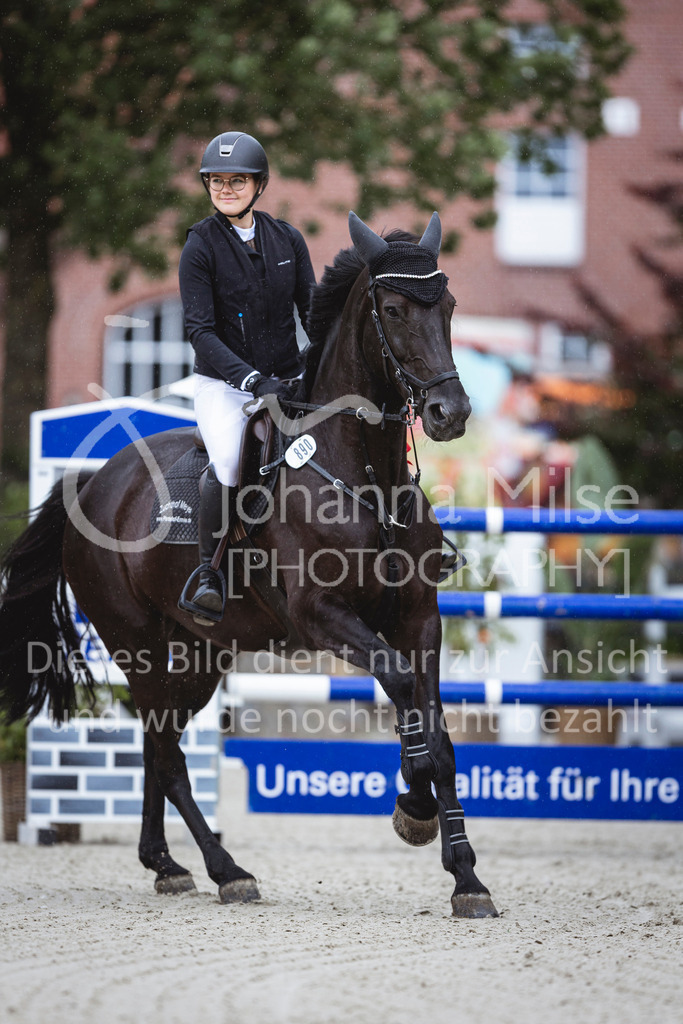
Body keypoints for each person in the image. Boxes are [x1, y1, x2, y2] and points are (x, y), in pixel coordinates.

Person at [179, 131, 316, 623]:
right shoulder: (200, 246)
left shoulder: (288, 240)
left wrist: (314, 368)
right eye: (216, 181)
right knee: (230, 466)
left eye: (236, 180)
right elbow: (200, 331)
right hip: (224, 385)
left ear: (258, 185)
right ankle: (208, 574)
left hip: (289, 379)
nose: (225, 188)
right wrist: (252, 380)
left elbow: (313, 314)